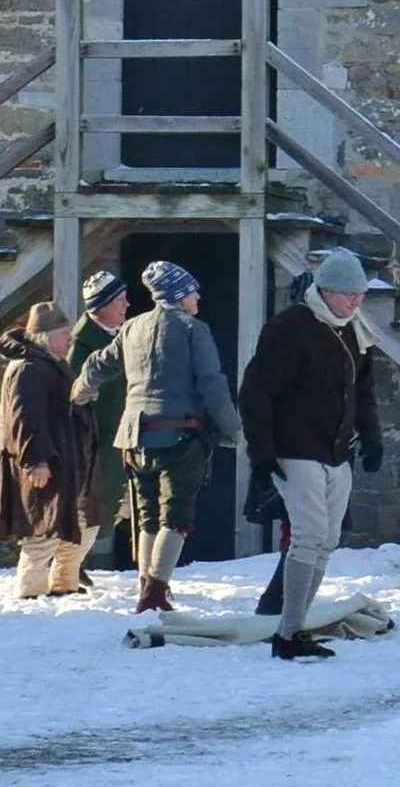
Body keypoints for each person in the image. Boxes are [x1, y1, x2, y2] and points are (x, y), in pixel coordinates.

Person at [72, 261, 244, 613]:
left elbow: (95, 364)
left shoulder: (132, 327)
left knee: (147, 515)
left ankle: (146, 585)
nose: (198, 296)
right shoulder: (193, 329)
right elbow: (212, 385)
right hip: (179, 434)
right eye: (192, 290)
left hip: (134, 439)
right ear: (179, 295)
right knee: (176, 517)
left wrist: (80, 393)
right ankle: (155, 592)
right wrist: (235, 431)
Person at [239, 250, 382, 660]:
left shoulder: (355, 330)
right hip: (295, 447)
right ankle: (288, 632)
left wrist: (372, 439)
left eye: (360, 294)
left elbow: (363, 392)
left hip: (337, 450)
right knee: (308, 536)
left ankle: (295, 625)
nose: (355, 302)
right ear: (325, 291)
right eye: (347, 294)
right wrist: (262, 454)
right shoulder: (291, 327)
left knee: (328, 540)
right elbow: (256, 392)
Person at [0, 304, 99, 599]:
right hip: (46, 461)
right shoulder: (28, 368)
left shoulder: (51, 363)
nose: (70, 338)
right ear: (46, 335)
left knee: (79, 523)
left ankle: (64, 584)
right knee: (42, 529)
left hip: (68, 459)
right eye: (65, 333)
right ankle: (30, 592)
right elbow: (25, 418)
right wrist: (35, 461)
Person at [70, 272, 130, 577]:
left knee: (118, 503)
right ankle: (71, 565)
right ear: (101, 305)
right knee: (94, 505)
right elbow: (77, 401)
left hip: (119, 436)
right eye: (119, 300)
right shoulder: (81, 347)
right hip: (97, 441)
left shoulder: (113, 336)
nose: (126, 305)